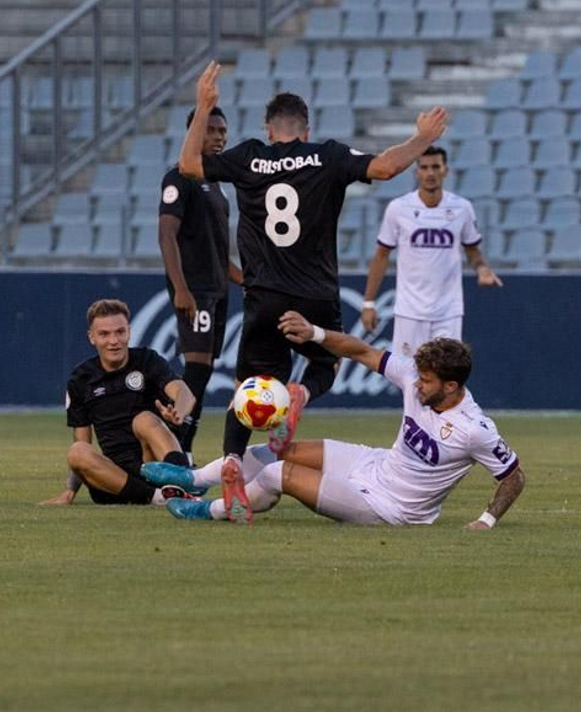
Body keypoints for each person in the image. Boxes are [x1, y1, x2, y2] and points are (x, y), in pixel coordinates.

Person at [178, 60, 447, 465]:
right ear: (307, 131)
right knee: (330, 359)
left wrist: (203, 106)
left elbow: (189, 166)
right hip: (316, 293)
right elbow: (387, 168)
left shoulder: (249, 156)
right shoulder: (327, 156)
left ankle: (232, 461)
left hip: (264, 294)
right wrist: (421, 138)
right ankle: (301, 393)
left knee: (248, 385)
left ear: (269, 130)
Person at [158, 311, 524, 529]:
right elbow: (361, 350)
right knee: (276, 450)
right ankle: (194, 478)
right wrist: (314, 333)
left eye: (427, 381)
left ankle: (208, 511)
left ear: (452, 385)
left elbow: (513, 477)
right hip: (376, 463)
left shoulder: (474, 429)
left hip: (391, 508)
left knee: (275, 475)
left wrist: (486, 521)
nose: (417, 384)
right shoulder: (416, 378)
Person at [39, 299, 199, 507]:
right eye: (104, 334)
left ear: (129, 332)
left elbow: (184, 392)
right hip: (115, 480)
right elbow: (82, 442)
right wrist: (69, 492)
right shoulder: (81, 379)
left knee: (144, 420)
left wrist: (178, 411)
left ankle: (181, 483)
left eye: (119, 332)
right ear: (92, 337)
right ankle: (160, 497)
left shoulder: (147, 360)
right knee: (76, 451)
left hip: (155, 465)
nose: (113, 341)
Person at [360, 145, 502, 355]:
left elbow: (472, 250)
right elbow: (382, 254)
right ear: (417, 171)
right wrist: (369, 303)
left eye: (436, 167)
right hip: (409, 311)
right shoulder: (398, 208)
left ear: (446, 170)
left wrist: (482, 268)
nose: (430, 173)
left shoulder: (462, 208)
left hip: (448, 311)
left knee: (447, 379)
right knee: (409, 377)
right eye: (424, 167)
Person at [158, 105, 242, 459]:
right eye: (211, 130)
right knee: (196, 369)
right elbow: (166, 235)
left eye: (223, 131)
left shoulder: (215, 184)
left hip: (217, 291)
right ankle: (174, 451)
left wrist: (247, 281)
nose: (219, 137)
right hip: (196, 291)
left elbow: (219, 253)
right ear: (193, 132)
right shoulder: (180, 177)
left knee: (203, 372)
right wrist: (181, 288)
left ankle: (180, 448)